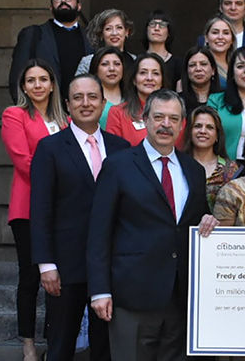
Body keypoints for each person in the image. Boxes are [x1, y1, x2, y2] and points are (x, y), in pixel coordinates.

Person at [87, 89, 219, 361]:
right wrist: (100, 290)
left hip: (181, 297)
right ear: (145, 119)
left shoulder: (193, 170)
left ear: (183, 125)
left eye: (173, 118)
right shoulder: (118, 165)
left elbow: (192, 221)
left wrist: (209, 219)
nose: (165, 124)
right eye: (158, 117)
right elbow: (99, 231)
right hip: (132, 295)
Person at [30, 74, 129, 361]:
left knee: (105, 348)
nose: (86, 103)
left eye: (92, 97)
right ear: (67, 104)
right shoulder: (50, 148)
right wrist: (46, 265)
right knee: (61, 345)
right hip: (65, 266)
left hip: (112, 266)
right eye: (78, 98)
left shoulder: (122, 148)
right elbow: (40, 208)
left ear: (103, 102)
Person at [1, 59, 68, 361]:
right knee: (30, 278)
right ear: (23, 87)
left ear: (53, 84)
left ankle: (54, 342)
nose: (38, 85)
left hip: (63, 210)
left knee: (62, 278)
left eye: (43, 79)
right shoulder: (14, 115)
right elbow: (23, 160)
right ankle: (28, 346)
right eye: (31, 80)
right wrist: (64, 183)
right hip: (28, 208)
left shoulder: (64, 120)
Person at [9, 0, 92, 102]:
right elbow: (17, 78)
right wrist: (28, 114)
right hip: (44, 114)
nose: (63, 0)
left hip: (83, 112)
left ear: (79, 6)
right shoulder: (33, 35)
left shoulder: (92, 38)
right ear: (51, 7)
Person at [183, 105, 240, 212]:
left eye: (210, 127)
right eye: (197, 126)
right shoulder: (178, 164)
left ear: (217, 135)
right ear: (189, 132)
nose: (203, 131)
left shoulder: (229, 169)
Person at [106, 53, 169, 146]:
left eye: (155, 73)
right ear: (134, 80)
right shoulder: (118, 113)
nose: (149, 78)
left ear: (162, 80)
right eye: (143, 72)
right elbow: (114, 152)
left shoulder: (175, 114)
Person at [75, 8, 135, 75]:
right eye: (108, 29)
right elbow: (77, 85)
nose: (114, 33)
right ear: (101, 34)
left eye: (119, 27)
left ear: (127, 31)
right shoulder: (88, 62)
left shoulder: (135, 61)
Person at [144, 9, 184, 91]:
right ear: (146, 29)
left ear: (169, 32)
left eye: (162, 25)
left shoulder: (179, 64)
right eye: (152, 24)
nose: (156, 28)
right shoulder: (137, 61)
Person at [88, 46, 125, 129]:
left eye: (117, 64)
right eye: (105, 64)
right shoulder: (88, 102)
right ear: (96, 70)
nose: (112, 69)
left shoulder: (133, 98)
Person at [179, 46, 221, 114]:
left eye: (203, 64)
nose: (198, 69)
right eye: (192, 65)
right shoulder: (178, 101)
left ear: (213, 70)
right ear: (187, 71)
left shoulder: (224, 100)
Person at [202, 14, 237, 89]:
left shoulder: (237, 64)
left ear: (232, 40)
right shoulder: (200, 64)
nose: (220, 37)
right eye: (215, 32)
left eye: (226, 33)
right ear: (206, 38)